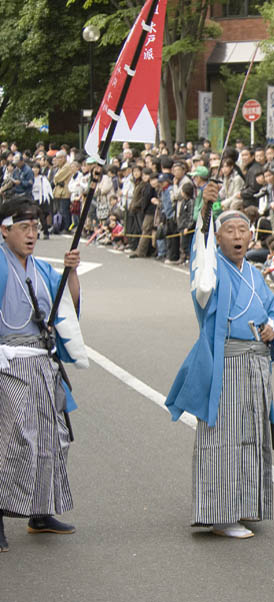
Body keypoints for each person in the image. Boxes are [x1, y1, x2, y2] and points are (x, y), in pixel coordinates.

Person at [165, 202, 274, 540]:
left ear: (251, 236)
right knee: (223, 436)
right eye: (229, 231)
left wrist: (272, 326)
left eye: (242, 231)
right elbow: (201, 269)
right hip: (227, 362)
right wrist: (205, 209)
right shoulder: (212, 270)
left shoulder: (254, 273)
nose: (237, 237)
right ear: (217, 238)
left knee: (250, 435)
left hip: (255, 361)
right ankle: (220, 514)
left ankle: (245, 505)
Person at [0, 201, 87, 553]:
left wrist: (72, 272)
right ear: (4, 230)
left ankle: (41, 511)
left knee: (52, 436)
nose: (32, 234)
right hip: (8, 360)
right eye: (23, 227)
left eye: (35, 227)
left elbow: (67, 305)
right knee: (14, 439)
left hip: (41, 359)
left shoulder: (41, 268)